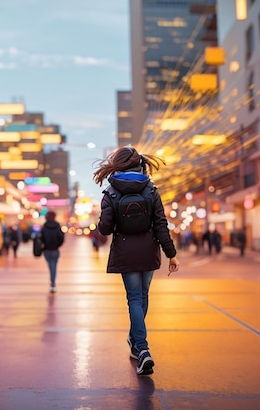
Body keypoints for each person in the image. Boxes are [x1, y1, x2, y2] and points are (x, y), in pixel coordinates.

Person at [93, 146, 179, 376]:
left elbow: (106, 228)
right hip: (148, 252)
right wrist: (171, 253)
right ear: (140, 164)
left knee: (134, 299)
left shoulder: (111, 193)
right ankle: (136, 342)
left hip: (125, 252)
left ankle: (141, 348)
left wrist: (100, 223)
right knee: (142, 297)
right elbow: (161, 225)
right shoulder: (151, 190)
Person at [40, 211, 65, 293]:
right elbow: (61, 237)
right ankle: (53, 283)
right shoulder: (57, 226)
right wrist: (57, 245)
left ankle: (52, 282)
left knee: (50, 265)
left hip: (47, 250)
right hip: (55, 250)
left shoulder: (44, 226)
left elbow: (41, 238)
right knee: (53, 266)